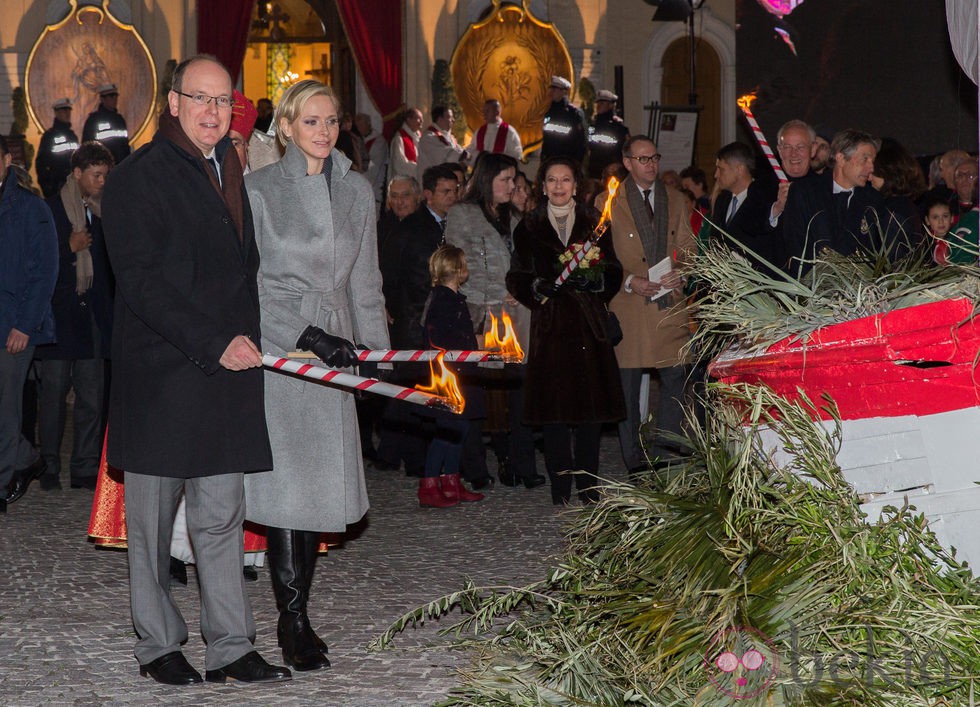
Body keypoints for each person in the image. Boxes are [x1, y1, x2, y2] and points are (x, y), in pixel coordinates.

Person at [100, 54, 289, 686]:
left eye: (222, 101)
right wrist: (216, 343)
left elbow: (243, 271)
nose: (213, 112)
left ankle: (232, 645)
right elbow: (143, 285)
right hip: (163, 376)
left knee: (221, 518)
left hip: (225, 377)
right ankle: (158, 644)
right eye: (200, 99)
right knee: (151, 529)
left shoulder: (230, 165)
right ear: (173, 103)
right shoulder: (137, 178)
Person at [244, 78, 389, 671]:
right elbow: (252, 286)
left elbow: (366, 280)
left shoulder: (356, 190)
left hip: (338, 354)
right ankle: (292, 617)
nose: (324, 131)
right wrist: (307, 336)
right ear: (286, 126)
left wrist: (374, 350)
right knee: (286, 489)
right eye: (311, 121)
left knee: (316, 489)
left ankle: (299, 608)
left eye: (331, 121)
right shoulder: (258, 191)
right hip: (285, 349)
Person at [506, 157, 625, 504]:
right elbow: (516, 276)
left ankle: (588, 484)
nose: (559, 186)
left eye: (566, 180)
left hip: (588, 326)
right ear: (542, 186)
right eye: (552, 181)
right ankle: (560, 485)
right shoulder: (528, 227)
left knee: (589, 411)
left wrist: (598, 279)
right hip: (551, 326)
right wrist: (537, 289)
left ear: (576, 185)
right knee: (554, 411)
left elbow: (614, 267)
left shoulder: (595, 222)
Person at [445, 152, 542, 489]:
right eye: (505, 179)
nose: (513, 185)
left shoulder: (515, 216)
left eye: (514, 179)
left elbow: (525, 261)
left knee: (521, 388)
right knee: (474, 390)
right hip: (480, 314)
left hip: (516, 314)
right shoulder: (462, 214)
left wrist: (521, 288)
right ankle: (474, 467)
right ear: (486, 181)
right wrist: (498, 292)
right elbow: (459, 264)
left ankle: (520, 463)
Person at [603, 136, 694, 476]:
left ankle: (666, 450)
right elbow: (603, 259)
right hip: (629, 304)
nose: (651, 164)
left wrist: (681, 271)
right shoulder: (608, 201)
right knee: (627, 388)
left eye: (654, 157)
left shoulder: (676, 199)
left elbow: (687, 246)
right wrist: (629, 279)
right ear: (627, 163)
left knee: (676, 378)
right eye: (642, 159)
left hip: (668, 304)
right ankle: (635, 459)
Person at [36, 141, 115, 492]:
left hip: (93, 318)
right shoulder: (50, 210)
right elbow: (37, 263)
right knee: (52, 395)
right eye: (96, 175)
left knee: (91, 396)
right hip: (59, 316)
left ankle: (84, 466)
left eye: (105, 175)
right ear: (78, 173)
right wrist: (69, 249)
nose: (102, 181)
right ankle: (49, 464)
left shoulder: (105, 213)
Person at [377, 164, 460, 478]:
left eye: (405, 196)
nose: (400, 202)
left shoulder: (431, 225)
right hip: (410, 319)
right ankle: (410, 459)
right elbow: (391, 274)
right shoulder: (406, 228)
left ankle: (398, 454)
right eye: (446, 192)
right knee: (411, 390)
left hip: (415, 319)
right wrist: (384, 304)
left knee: (410, 389)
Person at [0, 135, 58, 513]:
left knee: (5, 408)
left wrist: (25, 325)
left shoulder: (31, 208)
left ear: (7, 160)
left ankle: (3, 480)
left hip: (15, 326)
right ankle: (27, 458)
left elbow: (46, 272)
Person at [418, 244, 486, 507]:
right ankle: (430, 484)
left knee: (460, 427)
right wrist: (468, 346)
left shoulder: (451, 298)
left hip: (460, 372)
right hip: (449, 375)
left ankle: (450, 480)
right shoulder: (443, 300)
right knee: (449, 429)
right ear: (459, 270)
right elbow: (438, 338)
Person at [781, 129, 885, 268]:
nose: (871, 167)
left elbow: (877, 252)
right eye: (865, 159)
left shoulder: (872, 199)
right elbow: (794, 245)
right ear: (841, 158)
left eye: (872, 161)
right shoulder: (805, 192)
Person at [703, 142, 783, 272]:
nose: (715, 175)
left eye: (721, 169)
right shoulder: (722, 200)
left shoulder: (764, 199)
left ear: (739, 169)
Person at [869, 138, 926, 258]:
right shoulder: (904, 205)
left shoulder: (893, 211)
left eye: (874, 173)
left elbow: (892, 256)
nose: (870, 178)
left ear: (888, 175)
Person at [36, 97, 80, 198]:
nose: (67, 114)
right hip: (57, 186)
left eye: (69, 110)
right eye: (64, 110)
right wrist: (48, 188)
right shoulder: (49, 136)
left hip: (73, 185)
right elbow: (41, 164)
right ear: (56, 112)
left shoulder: (72, 136)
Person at [82, 82, 131, 167]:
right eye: (111, 96)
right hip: (102, 168)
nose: (115, 99)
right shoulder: (94, 120)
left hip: (120, 167)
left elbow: (125, 145)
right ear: (103, 99)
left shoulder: (119, 120)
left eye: (116, 96)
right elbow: (87, 147)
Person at [541, 75, 587, 163]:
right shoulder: (549, 112)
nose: (551, 92)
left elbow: (580, 142)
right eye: (551, 89)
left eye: (554, 90)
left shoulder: (573, 113)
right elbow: (547, 138)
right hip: (550, 160)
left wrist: (575, 163)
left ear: (564, 92)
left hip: (568, 160)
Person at [587, 89, 630, 179]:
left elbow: (626, 148)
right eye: (598, 103)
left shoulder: (617, 126)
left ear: (610, 105)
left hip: (611, 169)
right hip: (595, 170)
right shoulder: (593, 124)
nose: (598, 106)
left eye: (602, 103)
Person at [466, 99, 523, 163]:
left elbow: (516, 155)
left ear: (497, 112)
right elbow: (471, 150)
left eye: (487, 111)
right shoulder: (479, 131)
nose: (484, 114)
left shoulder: (509, 132)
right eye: (483, 111)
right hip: (482, 171)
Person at [418, 106, 468, 175]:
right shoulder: (428, 138)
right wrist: (462, 155)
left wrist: (466, 156)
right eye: (449, 117)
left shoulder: (450, 137)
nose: (453, 120)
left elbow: (462, 153)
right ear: (439, 119)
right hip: (432, 181)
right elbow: (444, 156)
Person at [354, 113, 388, 210]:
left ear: (368, 124)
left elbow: (373, 168)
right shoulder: (357, 140)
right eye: (357, 126)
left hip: (373, 189)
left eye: (361, 125)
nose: (359, 129)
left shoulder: (378, 142)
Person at [389, 106, 423, 181]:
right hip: (403, 182)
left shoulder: (419, 137)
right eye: (419, 119)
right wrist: (421, 169)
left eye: (422, 119)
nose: (421, 121)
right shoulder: (399, 138)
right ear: (409, 120)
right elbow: (399, 165)